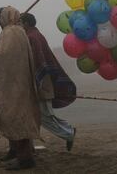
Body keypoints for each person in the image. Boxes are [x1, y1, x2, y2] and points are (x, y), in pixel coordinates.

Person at [0, 6, 40, 170]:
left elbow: (2, 57)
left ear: (7, 17)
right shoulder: (17, 32)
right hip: (18, 85)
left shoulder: (12, 33)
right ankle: (17, 153)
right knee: (16, 120)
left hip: (15, 88)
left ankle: (25, 159)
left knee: (17, 120)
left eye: (1, 18)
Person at [20, 13, 77, 152]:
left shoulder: (32, 38)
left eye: (20, 22)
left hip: (41, 84)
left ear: (26, 23)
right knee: (35, 116)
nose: (19, 25)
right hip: (38, 83)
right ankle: (30, 147)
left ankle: (68, 133)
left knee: (45, 116)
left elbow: (37, 62)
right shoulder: (34, 35)